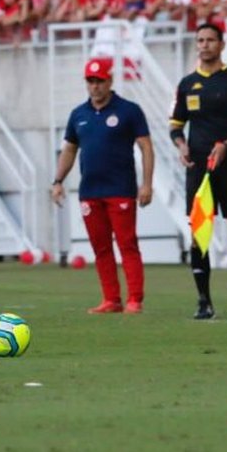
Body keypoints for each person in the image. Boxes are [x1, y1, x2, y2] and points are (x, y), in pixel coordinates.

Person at [169, 23, 227, 320]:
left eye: (210, 40)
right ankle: (203, 300)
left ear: (222, 45)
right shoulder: (186, 84)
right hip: (199, 170)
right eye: (200, 40)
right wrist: (181, 145)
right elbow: (175, 125)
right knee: (199, 236)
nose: (205, 45)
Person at [51, 58, 154, 314]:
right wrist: (58, 181)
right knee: (101, 247)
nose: (95, 86)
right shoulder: (79, 114)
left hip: (121, 189)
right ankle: (111, 299)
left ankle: (135, 299)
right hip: (90, 191)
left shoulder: (129, 110)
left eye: (100, 81)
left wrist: (147, 184)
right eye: (91, 81)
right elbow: (70, 150)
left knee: (127, 244)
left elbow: (146, 147)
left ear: (110, 81)